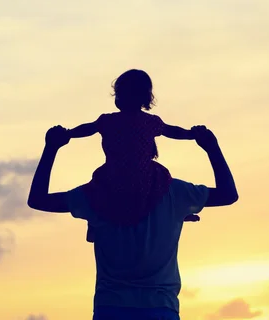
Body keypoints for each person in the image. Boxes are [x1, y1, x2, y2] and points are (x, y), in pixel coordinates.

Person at [27, 124, 238, 320]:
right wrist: (211, 147)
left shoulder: (94, 194)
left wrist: (52, 147)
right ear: (151, 150)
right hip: (161, 306)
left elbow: (38, 199)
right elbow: (228, 194)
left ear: (108, 151)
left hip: (110, 307)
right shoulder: (174, 192)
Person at [66, 69, 199, 243]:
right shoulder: (141, 121)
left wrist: (67, 134)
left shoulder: (111, 121)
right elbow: (172, 131)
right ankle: (171, 212)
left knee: (99, 192)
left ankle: (95, 224)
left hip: (117, 173)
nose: (118, 98)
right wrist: (191, 134)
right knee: (159, 187)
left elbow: (87, 129)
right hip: (136, 173)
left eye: (120, 94)